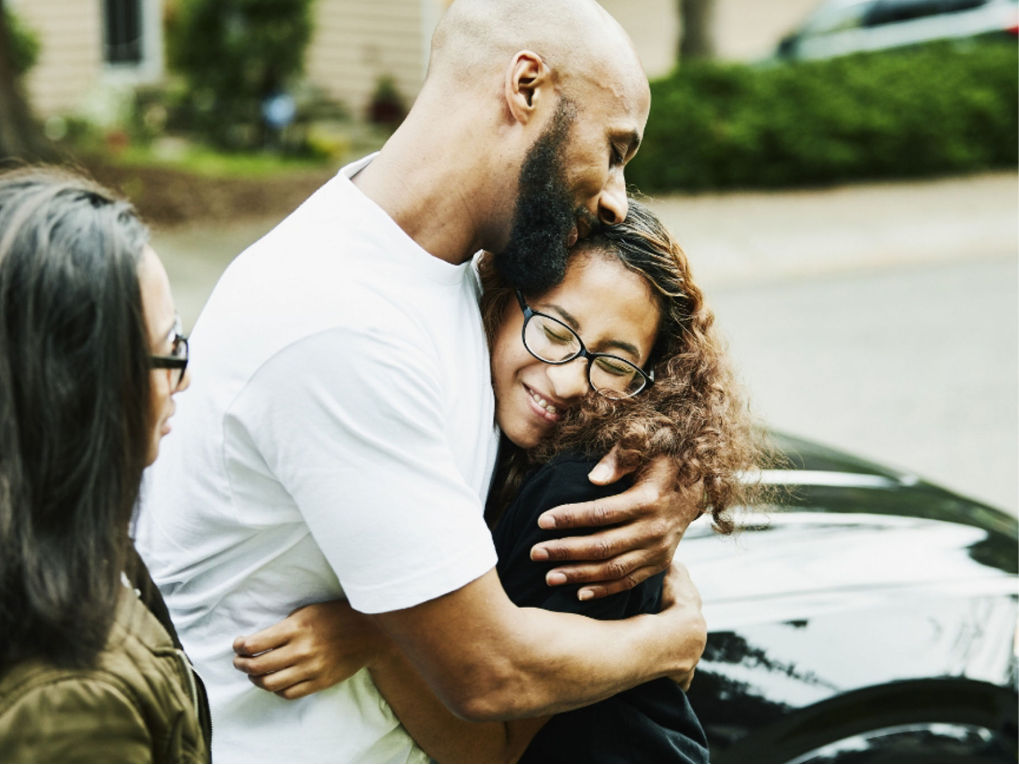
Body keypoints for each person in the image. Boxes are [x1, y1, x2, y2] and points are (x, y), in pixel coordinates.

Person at [135, 2, 707, 762]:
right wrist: (670, 640)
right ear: (526, 87)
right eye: (614, 149)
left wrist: (672, 472)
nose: (615, 198)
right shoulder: (341, 319)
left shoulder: (446, 273)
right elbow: (487, 673)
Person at [234, 199, 767, 762]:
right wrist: (666, 644)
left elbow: (491, 747)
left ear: (657, 382)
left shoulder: (589, 494)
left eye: (615, 364)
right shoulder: (484, 432)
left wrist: (380, 636)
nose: (569, 381)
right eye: (555, 330)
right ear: (501, 296)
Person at [0, 167, 210, 762]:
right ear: (76, 385)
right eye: (168, 350)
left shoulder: (63, 545)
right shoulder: (73, 701)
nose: (183, 380)